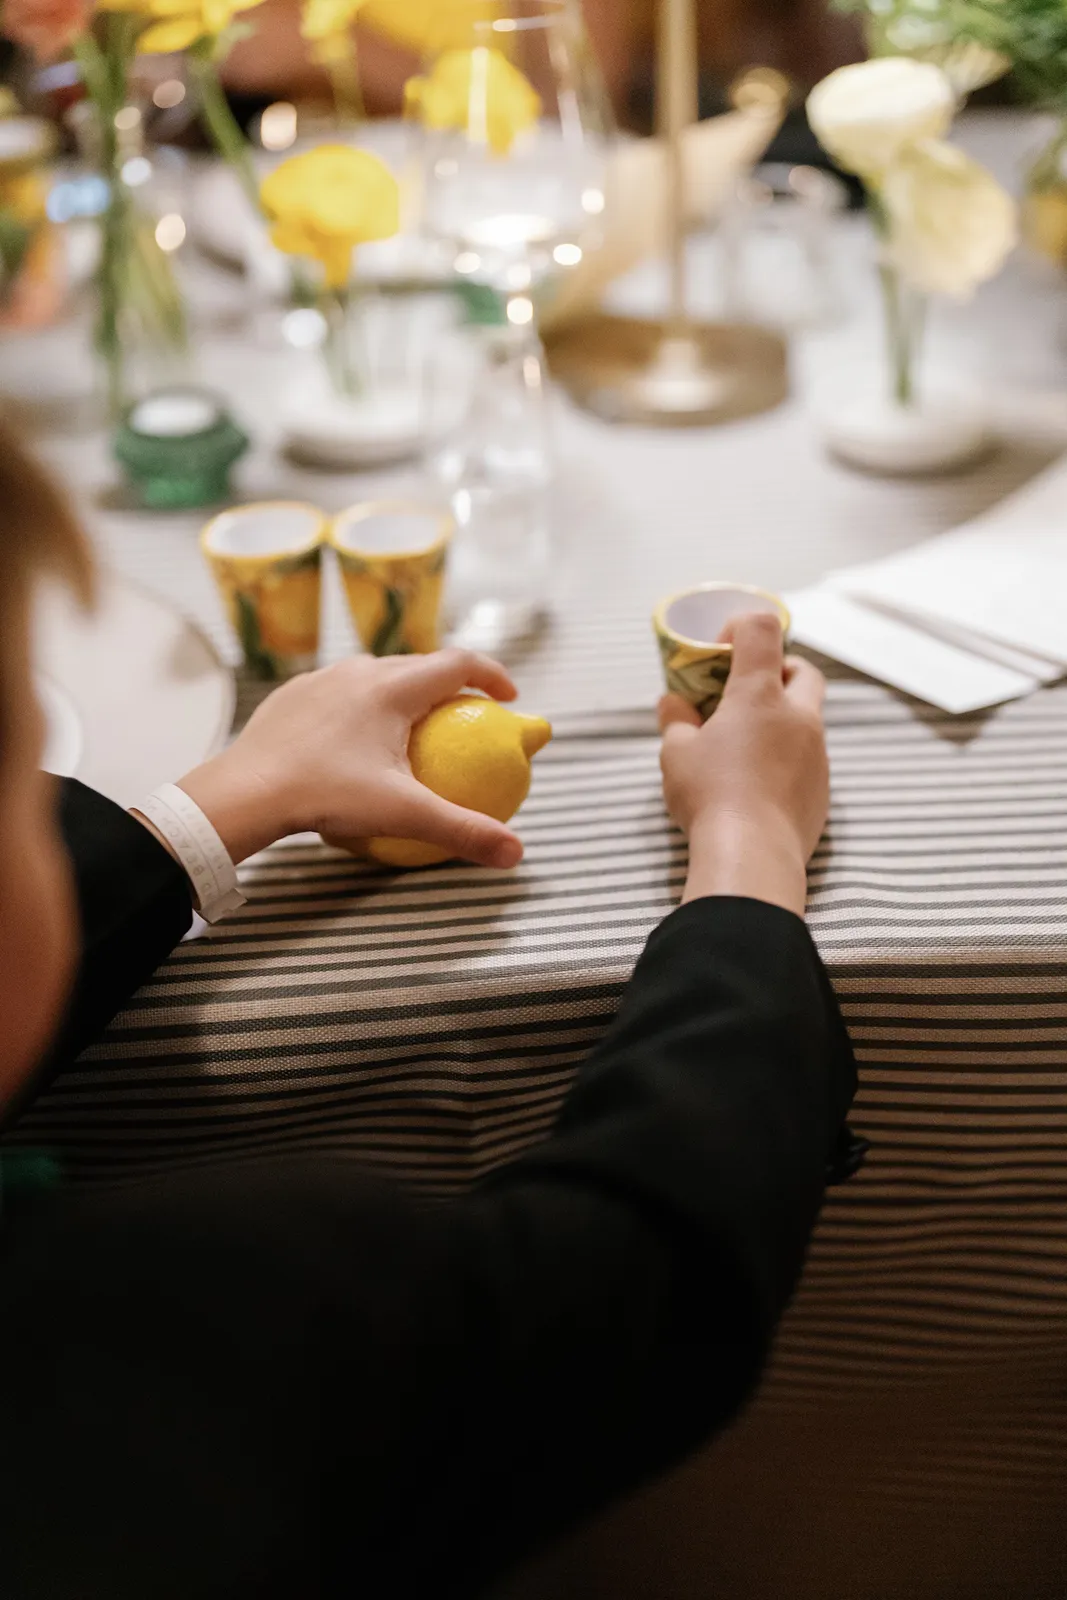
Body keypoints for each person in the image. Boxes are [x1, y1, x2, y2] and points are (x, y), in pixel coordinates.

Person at [0, 420, 860, 1598]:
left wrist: (229, 794)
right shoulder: (161, 1336)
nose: (50, 770)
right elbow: (642, 1282)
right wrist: (750, 839)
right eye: (20, 759)